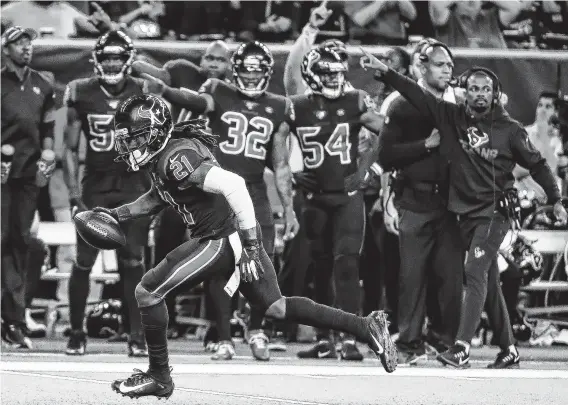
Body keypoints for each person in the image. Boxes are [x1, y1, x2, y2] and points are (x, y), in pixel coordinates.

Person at [103, 94, 397, 399]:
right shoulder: (165, 155)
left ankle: (159, 375)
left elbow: (234, 185)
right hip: (233, 236)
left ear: (156, 131)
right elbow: (156, 198)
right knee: (277, 306)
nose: (130, 146)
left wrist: (252, 247)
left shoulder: (177, 157)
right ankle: (366, 327)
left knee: (148, 292)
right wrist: (116, 214)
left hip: (220, 238)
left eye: (135, 138)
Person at [363, 55, 568, 369]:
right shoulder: (452, 117)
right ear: (463, 92)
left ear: (497, 94)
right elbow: (418, 95)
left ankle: (461, 347)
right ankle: (508, 349)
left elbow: (538, 165)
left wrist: (555, 198)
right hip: (465, 215)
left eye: (486, 89)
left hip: (495, 213)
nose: (480, 94)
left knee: (473, 273)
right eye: (473, 88)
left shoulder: (510, 129)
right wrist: (389, 74)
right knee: (488, 279)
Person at [141, 40, 300, 361]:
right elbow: (197, 101)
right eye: (246, 70)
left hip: (254, 191)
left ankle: (257, 330)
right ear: (235, 70)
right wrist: (167, 92)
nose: (252, 77)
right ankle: (224, 337)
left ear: (267, 73)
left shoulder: (279, 106)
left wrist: (290, 208)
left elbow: (281, 164)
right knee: (218, 265)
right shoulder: (219, 90)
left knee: (262, 262)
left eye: (258, 72)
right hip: (218, 192)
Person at [133, 39, 236, 359]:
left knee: (218, 259)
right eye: (208, 56)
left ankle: (221, 329)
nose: (213, 62)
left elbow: (202, 104)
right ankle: (167, 319)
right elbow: (151, 72)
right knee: (166, 250)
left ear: (231, 65)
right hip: (182, 181)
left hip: (218, 182)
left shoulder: (229, 92)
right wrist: (126, 50)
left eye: (220, 58)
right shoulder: (183, 73)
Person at [286, 46, 383, 361]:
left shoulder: (355, 100)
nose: (334, 78)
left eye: (339, 72)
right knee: (320, 265)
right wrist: (294, 171)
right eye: (328, 73)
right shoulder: (296, 105)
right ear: (313, 74)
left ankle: (352, 337)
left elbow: (387, 131)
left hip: (347, 199)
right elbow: (272, 143)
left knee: (347, 264)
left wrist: (366, 169)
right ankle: (325, 338)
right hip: (314, 198)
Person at [62, 30, 151, 357]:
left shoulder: (142, 89)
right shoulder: (81, 91)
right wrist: (74, 193)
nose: (112, 62)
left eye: (117, 57)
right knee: (84, 261)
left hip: (133, 185)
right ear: (97, 60)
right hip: (96, 185)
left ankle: (136, 334)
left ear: (127, 60)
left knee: (132, 262)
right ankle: (75, 331)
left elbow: (154, 144)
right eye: (107, 57)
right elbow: (70, 148)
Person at [377, 42, 464, 364]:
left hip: (453, 203)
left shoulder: (460, 104)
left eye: (450, 65)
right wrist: (426, 145)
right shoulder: (400, 105)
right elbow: (385, 156)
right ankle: (410, 342)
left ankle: (443, 342)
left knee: (450, 279)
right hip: (414, 198)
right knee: (411, 277)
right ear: (421, 67)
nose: (446, 70)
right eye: (440, 64)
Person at [1, 26, 56, 349]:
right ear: (6, 49)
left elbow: (48, 128)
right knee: (2, 239)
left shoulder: (43, 83)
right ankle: (11, 318)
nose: (26, 47)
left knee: (21, 241)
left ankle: (15, 319)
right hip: (1, 174)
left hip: (28, 174)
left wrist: (48, 156)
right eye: (19, 43)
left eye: (28, 42)